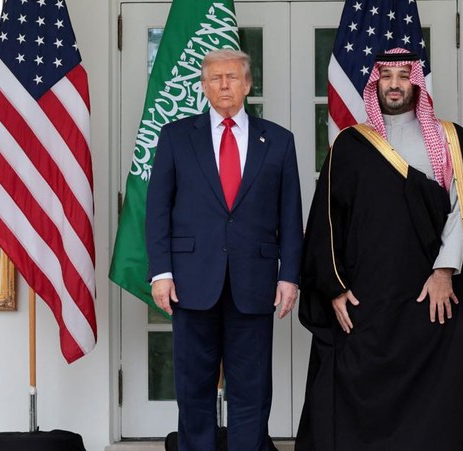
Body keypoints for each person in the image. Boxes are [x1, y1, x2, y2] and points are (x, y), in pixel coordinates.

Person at [295, 48, 463, 450]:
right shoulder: (350, 145)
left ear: (418, 83)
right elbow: (326, 222)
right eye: (387, 75)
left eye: (403, 75)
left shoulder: (450, 139)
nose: (395, 84)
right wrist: (334, 287)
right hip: (369, 300)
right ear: (376, 82)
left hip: (434, 296)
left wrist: (444, 271)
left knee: (436, 402)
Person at [146, 49, 303, 451]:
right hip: (191, 282)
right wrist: (161, 273)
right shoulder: (177, 137)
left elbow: (290, 215)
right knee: (193, 386)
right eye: (215, 78)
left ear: (248, 84)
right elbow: (157, 209)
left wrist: (289, 276)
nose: (225, 85)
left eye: (233, 77)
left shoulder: (279, 141)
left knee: (251, 390)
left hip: (255, 283)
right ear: (203, 85)